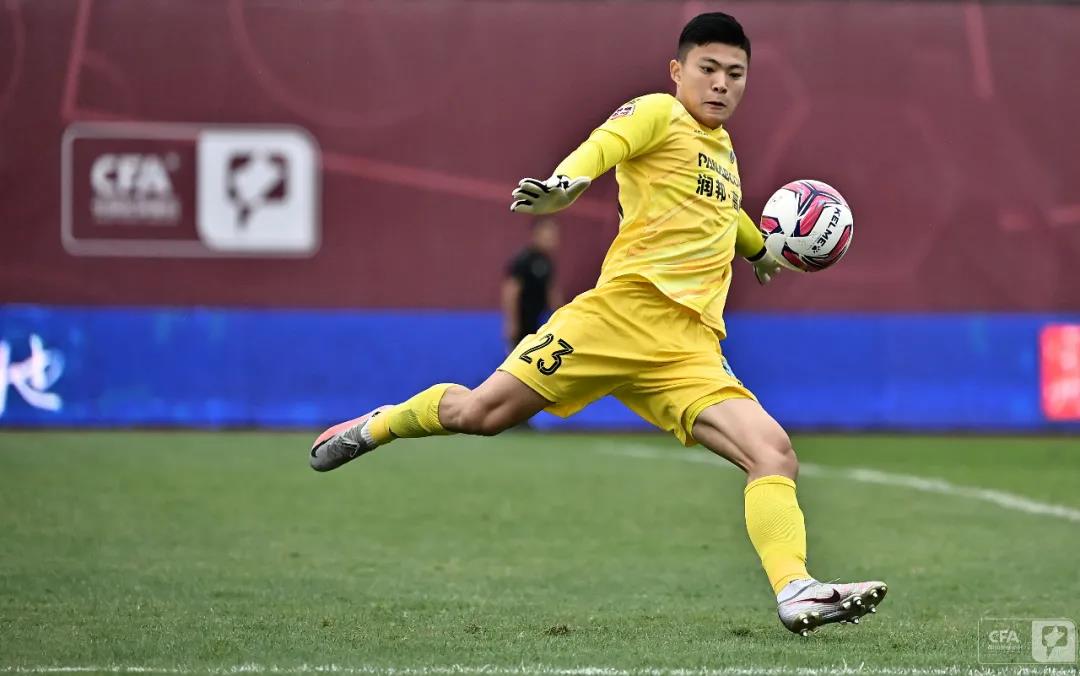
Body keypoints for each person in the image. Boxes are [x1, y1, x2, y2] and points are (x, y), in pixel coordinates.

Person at [310, 12, 886, 636]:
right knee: (481, 414)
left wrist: (759, 251)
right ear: (678, 71)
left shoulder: (723, 152)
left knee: (772, 452)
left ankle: (795, 589)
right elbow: (606, 144)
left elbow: (727, 212)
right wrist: (567, 183)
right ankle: (378, 425)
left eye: (735, 73)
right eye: (708, 69)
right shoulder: (658, 113)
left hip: (688, 349)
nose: (721, 83)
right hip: (615, 320)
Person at [503, 218, 563, 351]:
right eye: (548, 235)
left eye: (554, 235)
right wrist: (511, 322)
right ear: (537, 234)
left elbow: (551, 290)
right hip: (522, 319)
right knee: (519, 354)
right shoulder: (524, 259)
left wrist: (560, 315)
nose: (552, 239)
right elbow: (511, 291)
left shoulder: (547, 262)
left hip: (538, 319)